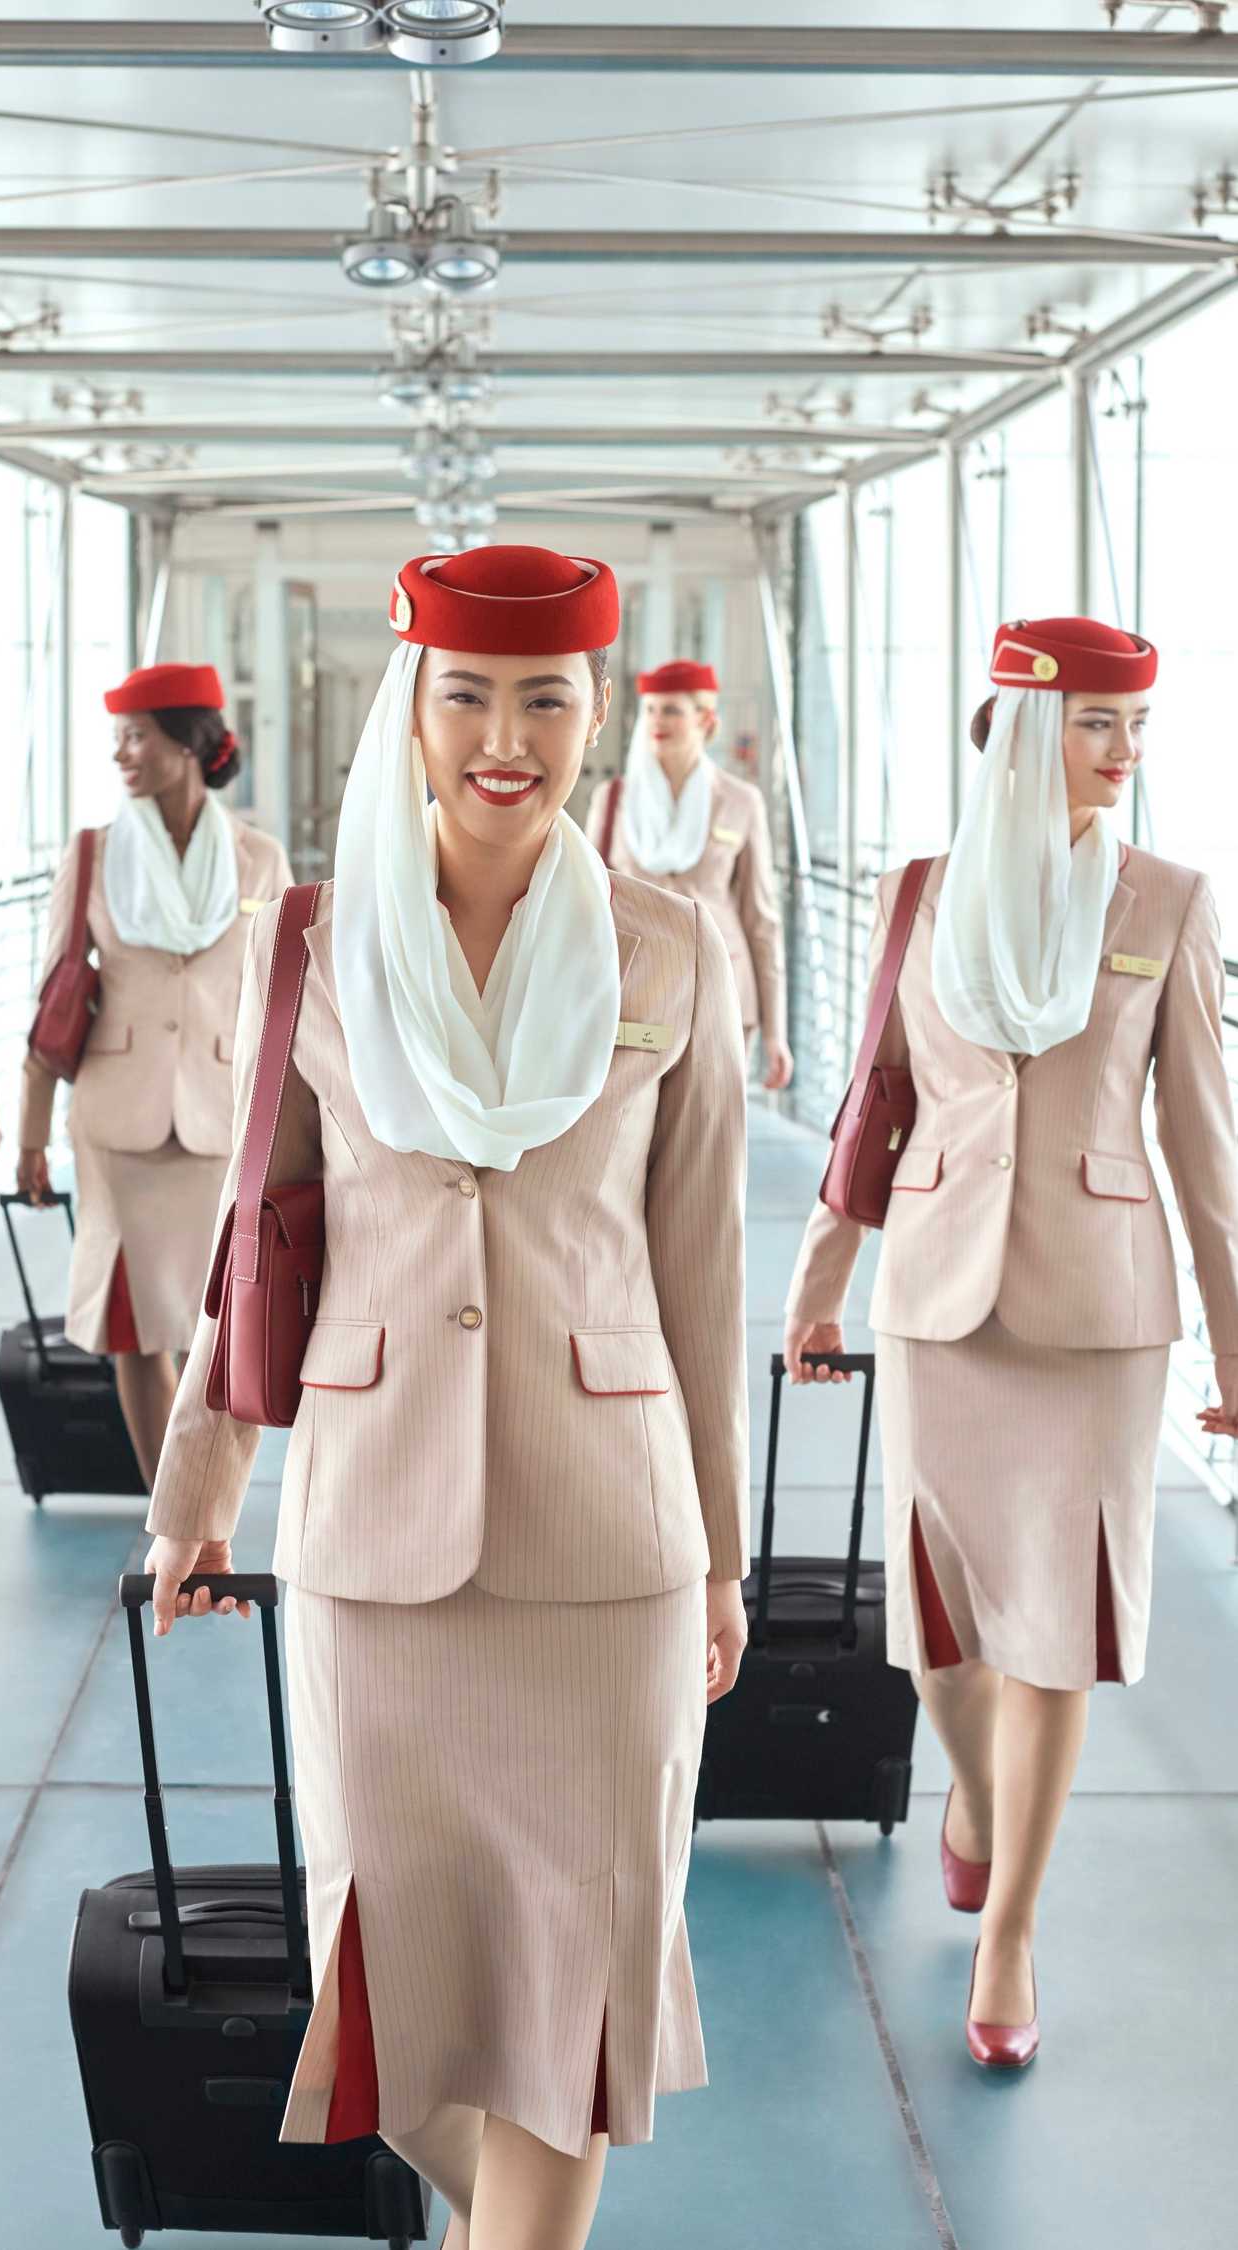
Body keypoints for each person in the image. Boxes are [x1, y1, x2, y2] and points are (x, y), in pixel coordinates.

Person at [141, 545, 750, 2250]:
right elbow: (253, 1238)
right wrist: (198, 1490)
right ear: (409, 711)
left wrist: (722, 1549)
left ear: (597, 714)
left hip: (608, 1541)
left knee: (576, 2002)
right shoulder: (312, 946)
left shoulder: (671, 946)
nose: (506, 735)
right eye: (467, 693)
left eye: (546, 698)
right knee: (396, 2025)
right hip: (375, 1532)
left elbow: (701, 1278)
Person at [783, 615, 1238, 2068]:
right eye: (1101, 723)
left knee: (1061, 1637)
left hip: (1101, 1315)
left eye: (1138, 725)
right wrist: (814, 1286)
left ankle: (1013, 1930)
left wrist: (1236, 1355)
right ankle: (971, 1797)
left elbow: (1206, 1151)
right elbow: (872, 1109)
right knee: (941, 1633)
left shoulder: (1168, 901)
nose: (1126, 751)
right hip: (938, 1301)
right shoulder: (920, 898)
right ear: (1032, 730)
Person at [16, 663, 292, 1486]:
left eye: (137, 736)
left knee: (216, 1325)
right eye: (118, 740)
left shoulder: (257, 858)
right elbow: (53, 994)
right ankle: (170, 1503)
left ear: (187, 744)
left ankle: (204, 1500)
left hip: (224, 1117)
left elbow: (287, 1001)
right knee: (136, 1328)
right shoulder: (94, 854)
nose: (123, 755)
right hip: (117, 1118)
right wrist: (29, 1136)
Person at [586, 659, 793, 1090]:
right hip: (638, 990)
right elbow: (586, 903)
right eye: (651, 710)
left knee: (714, 1134)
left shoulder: (741, 801)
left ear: (705, 719)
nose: (658, 721)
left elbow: (762, 921)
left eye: (672, 710)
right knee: (633, 1124)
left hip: (726, 989)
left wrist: (777, 1031)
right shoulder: (614, 799)